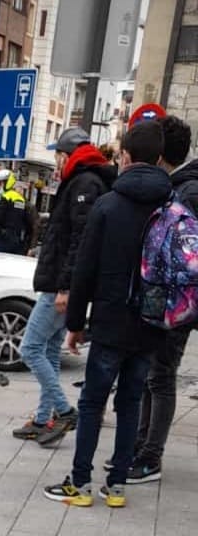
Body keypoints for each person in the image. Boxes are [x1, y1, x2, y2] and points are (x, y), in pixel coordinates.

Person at [44, 119, 172, 508]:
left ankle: (79, 484)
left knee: (92, 402)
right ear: (161, 160)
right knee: (131, 401)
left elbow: (85, 270)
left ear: (128, 157)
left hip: (110, 322)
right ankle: (116, 486)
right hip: (150, 324)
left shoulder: (109, 205)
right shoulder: (171, 208)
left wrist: (75, 325)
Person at [13, 127, 114, 444]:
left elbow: (80, 242)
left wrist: (67, 289)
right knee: (50, 351)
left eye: (57, 156)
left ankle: (63, 410)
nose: (56, 163)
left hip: (61, 285)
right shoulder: (82, 180)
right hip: (60, 282)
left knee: (29, 348)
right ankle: (44, 420)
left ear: (65, 155)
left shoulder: (84, 183)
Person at [123, 114, 198, 482]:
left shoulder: (188, 191)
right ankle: (141, 447)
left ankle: (151, 456)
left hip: (179, 301)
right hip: (171, 297)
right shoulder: (181, 185)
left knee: (161, 375)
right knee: (155, 373)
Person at [0, 170, 31, 254]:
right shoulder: (20, 198)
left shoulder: (6, 197)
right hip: (17, 241)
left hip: (4, 240)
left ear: (6, 183)